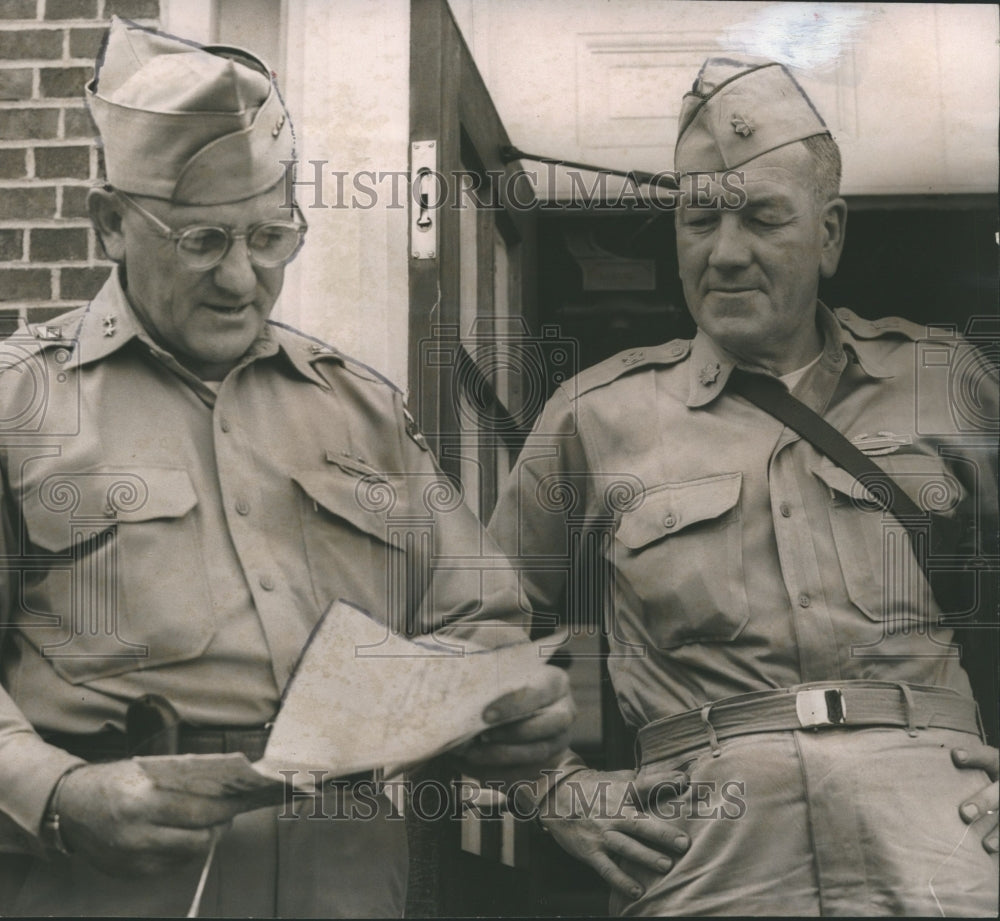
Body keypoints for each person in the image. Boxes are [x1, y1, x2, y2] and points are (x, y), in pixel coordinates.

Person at [0, 18, 572, 917]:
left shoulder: (359, 409)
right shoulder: (17, 408)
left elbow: (481, 617)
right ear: (110, 223)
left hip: (346, 879)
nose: (242, 279)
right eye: (203, 243)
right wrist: (60, 797)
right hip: (107, 883)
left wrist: (502, 709)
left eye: (270, 238)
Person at [489, 55, 998, 916]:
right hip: (706, 855)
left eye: (763, 219)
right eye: (700, 221)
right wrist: (556, 792)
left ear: (828, 233)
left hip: (941, 843)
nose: (725, 254)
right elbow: (461, 624)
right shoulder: (594, 415)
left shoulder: (945, 379)